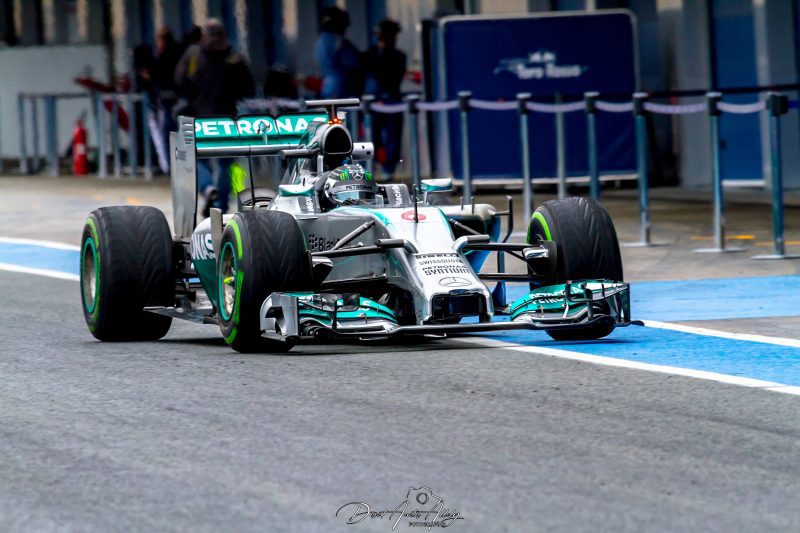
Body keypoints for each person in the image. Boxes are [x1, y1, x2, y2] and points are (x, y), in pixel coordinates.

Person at [175, 19, 255, 215]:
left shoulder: (194, 55)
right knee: (227, 164)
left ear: (204, 35)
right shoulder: (235, 58)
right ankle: (220, 206)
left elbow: (179, 81)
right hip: (228, 120)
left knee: (196, 159)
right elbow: (248, 89)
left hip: (198, 118)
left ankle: (207, 187)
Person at [363, 19, 406, 180]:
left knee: (393, 137)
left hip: (392, 101)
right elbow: (370, 74)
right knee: (372, 136)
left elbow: (393, 77)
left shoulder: (399, 56)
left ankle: (389, 169)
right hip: (374, 102)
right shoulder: (370, 54)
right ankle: (371, 166)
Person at [150, 27, 181, 174]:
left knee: (166, 134)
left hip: (165, 100)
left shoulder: (161, 56)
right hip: (178, 99)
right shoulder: (179, 54)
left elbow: (156, 76)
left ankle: (169, 166)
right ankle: (177, 163)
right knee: (178, 133)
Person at [315, 6, 363, 98]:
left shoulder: (320, 40)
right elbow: (353, 62)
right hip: (342, 88)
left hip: (327, 87)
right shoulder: (337, 41)